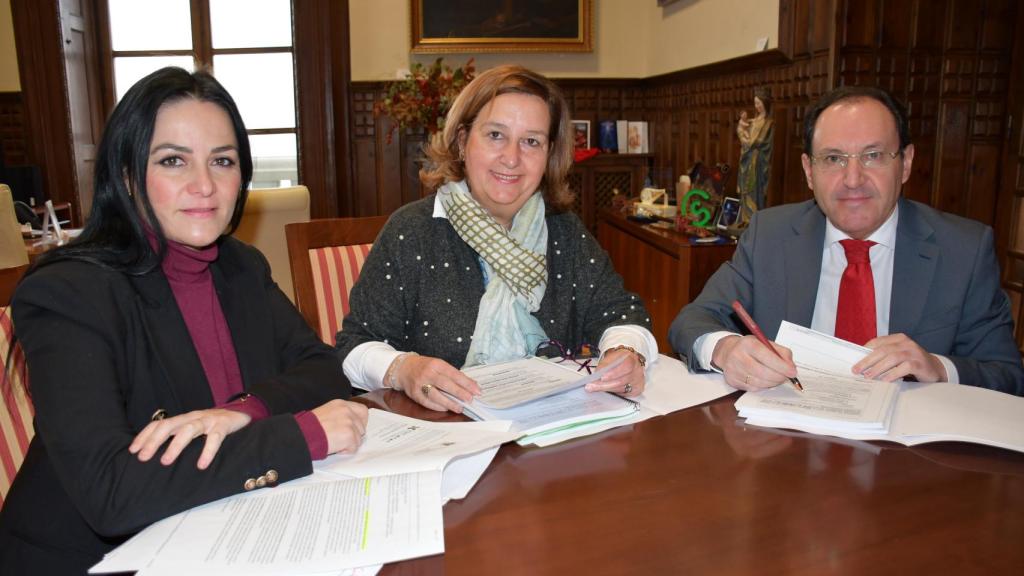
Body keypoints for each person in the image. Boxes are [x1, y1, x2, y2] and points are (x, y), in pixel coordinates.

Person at [0, 67, 368, 573]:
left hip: (218, 529)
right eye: (173, 161)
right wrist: (298, 436)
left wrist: (243, 411)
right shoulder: (67, 293)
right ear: (128, 176)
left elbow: (323, 369)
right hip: (94, 559)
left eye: (222, 161)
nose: (204, 185)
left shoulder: (239, 265)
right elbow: (113, 492)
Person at [335, 65, 657, 412]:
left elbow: (621, 312)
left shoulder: (564, 230)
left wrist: (625, 351)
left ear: (549, 154)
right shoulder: (412, 231)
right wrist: (403, 369)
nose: (512, 158)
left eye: (531, 141)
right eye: (495, 135)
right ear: (462, 140)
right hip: (446, 435)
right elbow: (354, 346)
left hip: (550, 431)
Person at [670, 86, 1024, 396]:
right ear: (809, 171)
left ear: (906, 163)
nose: (853, 179)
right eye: (834, 158)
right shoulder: (770, 235)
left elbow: (1007, 375)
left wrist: (937, 367)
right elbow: (693, 321)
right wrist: (726, 349)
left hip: (910, 460)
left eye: (873, 156)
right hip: (787, 446)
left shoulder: (964, 249)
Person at [735, 87, 774, 220]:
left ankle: (753, 219)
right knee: (745, 193)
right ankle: (744, 219)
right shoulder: (752, 121)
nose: (757, 106)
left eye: (759, 103)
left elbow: (760, 141)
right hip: (746, 159)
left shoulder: (768, 123)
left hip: (757, 162)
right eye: (755, 103)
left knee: (753, 191)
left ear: (765, 103)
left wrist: (744, 139)